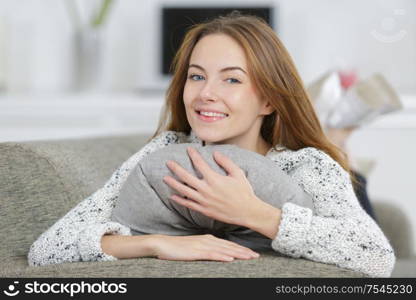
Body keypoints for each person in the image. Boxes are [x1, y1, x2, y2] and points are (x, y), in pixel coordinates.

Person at [27, 12, 395, 277]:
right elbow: (45, 249)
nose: (205, 94)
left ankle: (341, 144)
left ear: (268, 101)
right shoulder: (164, 152)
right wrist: (155, 243)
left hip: (325, 181)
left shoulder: (307, 166)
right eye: (197, 76)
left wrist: (253, 213)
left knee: (348, 177)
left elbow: (377, 257)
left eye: (231, 80)